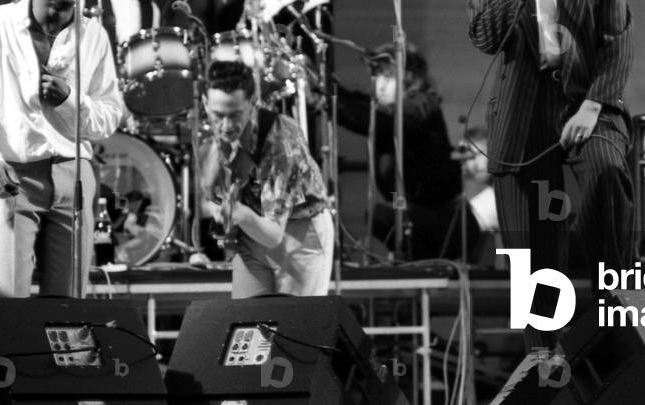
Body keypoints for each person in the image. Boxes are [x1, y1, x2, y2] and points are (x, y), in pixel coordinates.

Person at [467, 0, 634, 349]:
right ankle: (545, 361)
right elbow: (486, 37)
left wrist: (592, 107)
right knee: (534, 260)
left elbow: (619, 40)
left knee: (605, 173)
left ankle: (620, 331)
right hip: (523, 116)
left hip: (589, 104)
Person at [0, 0, 124, 297]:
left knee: (68, 300)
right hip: (12, 173)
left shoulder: (94, 36)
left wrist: (69, 100)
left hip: (74, 175)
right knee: (8, 295)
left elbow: (109, 116)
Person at [200, 60, 333, 297]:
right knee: (246, 326)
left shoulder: (281, 140)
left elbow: (272, 235)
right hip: (252, 231)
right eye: (218, 115)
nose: (227, 125)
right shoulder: (216, 131)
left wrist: (239, 213)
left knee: (296, 330)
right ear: (205, 104)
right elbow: (208, 188)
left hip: (299, 235)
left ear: (253, 104)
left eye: (235, 115)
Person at [336, 43, 480, 260]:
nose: (380, 86)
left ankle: (413, 261)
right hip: (405, 205)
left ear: (409, 79)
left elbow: (379, 120)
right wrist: (332, 93)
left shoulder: (422, 105)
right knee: (380, 214)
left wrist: (328, 103)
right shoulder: (389, 110)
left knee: (384, 216)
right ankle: (406, 259)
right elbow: (363, 106)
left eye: (388, 78)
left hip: (440, 221)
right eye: (377, 78)